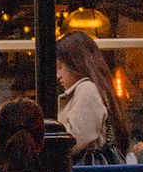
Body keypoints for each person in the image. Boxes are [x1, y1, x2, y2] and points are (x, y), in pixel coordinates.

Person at [54, 31, 130, 164]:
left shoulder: (87, 89)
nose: (58, 75)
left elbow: (76, 138)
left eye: (61, 67)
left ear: (76, 63)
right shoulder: (94, 88)